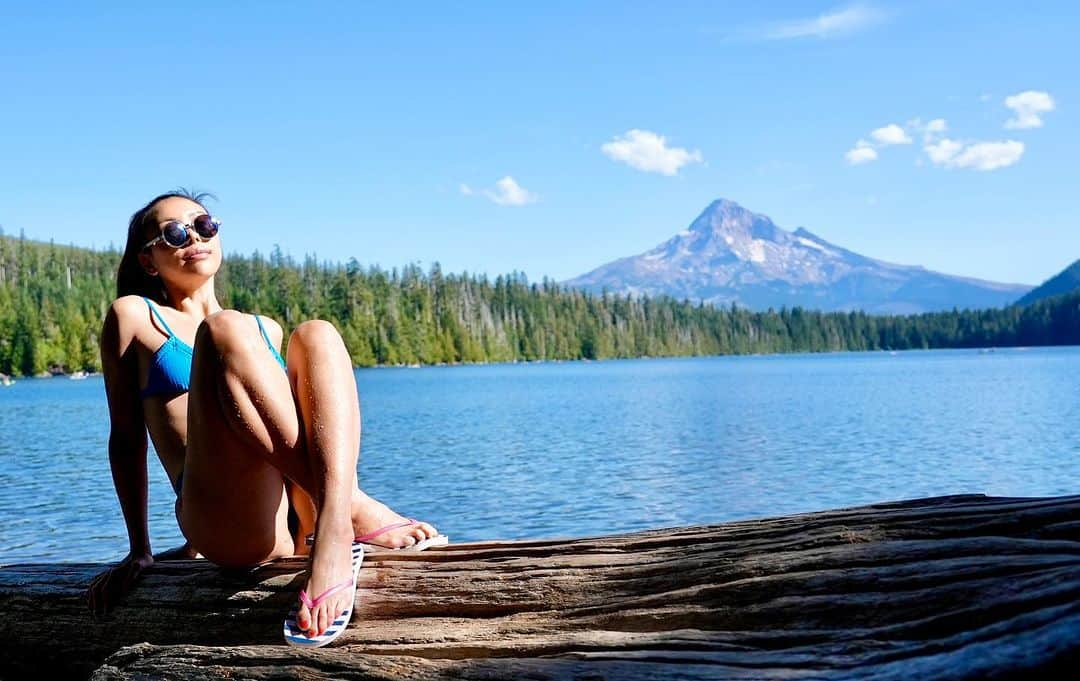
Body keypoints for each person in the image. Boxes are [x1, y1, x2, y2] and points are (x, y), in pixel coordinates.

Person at [86, 190, 444, 645]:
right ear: (149, 259)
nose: (194, 236)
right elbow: (126, 438)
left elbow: (266, 428)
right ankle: (346, 512)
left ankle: (329, 518)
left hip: (293, 517)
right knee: (224, 329)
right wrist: (141, 550)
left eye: (205, 225)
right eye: (174, 233)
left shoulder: (262, 329)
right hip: (227, 526)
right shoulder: (134, 315)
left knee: (318, 334)